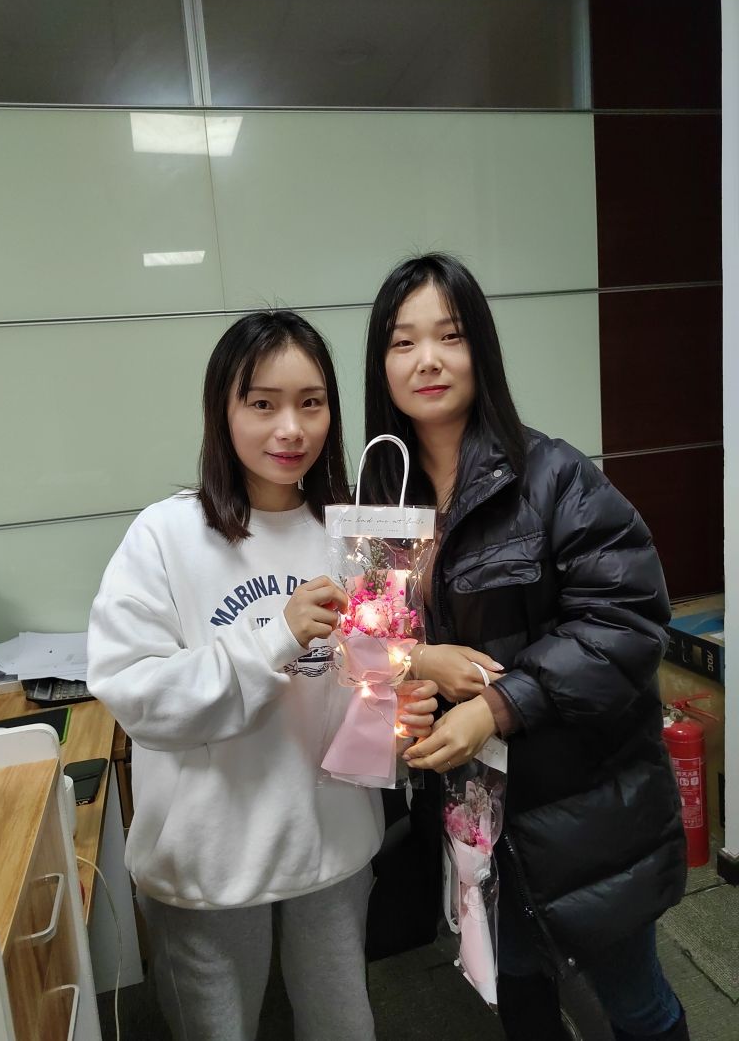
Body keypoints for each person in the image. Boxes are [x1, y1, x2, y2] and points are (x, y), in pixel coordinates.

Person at [362, 253, 689, 1041]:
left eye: (450, 335)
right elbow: (376, 638)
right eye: (404, 342)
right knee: (515, 986)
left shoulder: (554, 477)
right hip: (474, 813)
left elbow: (625, 622)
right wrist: (408, 669)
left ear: (482, 349)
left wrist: (499, 707)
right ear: (382, 364)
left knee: (633, 999)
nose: (428, 359)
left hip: (580, 807)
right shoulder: (382, 501)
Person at [87, 309, 438, 1041]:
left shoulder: (356, 539)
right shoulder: (167, 535)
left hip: (332, 844)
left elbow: (368, 692)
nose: (291, 429)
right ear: (223, 411)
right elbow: (134, 694)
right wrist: (274, 638)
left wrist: (401, 707)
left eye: (311, 403)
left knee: (342, 1022)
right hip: (208, 859)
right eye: (262, 403)